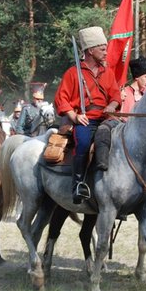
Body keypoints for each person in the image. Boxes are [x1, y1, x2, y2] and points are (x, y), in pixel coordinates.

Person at [54, 26, 121, 204]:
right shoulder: (72, 73)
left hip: (107, 119)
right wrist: (74, 117)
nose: (106, 52)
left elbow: (115, 96)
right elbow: (62, 99)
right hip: (85, 119)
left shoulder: (108, 73)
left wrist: (112, 106)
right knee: (83, 143)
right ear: (90, 51)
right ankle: (78, 184)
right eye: (102, 49)